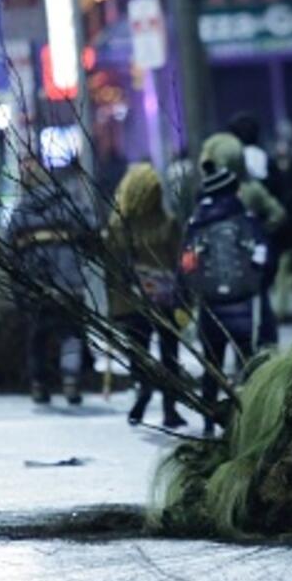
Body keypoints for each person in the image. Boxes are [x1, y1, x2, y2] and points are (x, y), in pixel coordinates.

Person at [180, 162, 268, 435]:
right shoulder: (247, 221)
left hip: (211, 306)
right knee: (247, 363)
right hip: (243, 302)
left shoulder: (197, 223)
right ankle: (251, 419)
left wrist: (187, 293)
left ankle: (209, 420)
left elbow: (186, 263)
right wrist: (257, 282)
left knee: (212, 366)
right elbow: (264, 255)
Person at [104, 163, 186, 428]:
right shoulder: (167, 223)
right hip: (165, 299)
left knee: (138, 351)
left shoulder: (117, 226)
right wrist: (186, 300)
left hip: (131, 301)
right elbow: (179, 262)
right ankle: (169, 408)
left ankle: (143, 387)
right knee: (169, 353)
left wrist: (114, 306)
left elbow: (111, 269)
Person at [8, 159, 91, 405]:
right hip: (69, 283)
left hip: (36, 285)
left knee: (37, 336)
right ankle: (71, 381)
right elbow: (90, 228)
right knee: (71, 334)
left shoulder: (21, 212)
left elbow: (10, 251)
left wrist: (19, 287)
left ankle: (39, 385)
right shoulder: (68, 205)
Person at [200, 132, 286, 345]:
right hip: (250, 266)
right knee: (260, 316)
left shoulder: (208, 194)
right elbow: (278, 214)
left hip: (219, 270)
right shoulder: (252, 189)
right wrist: (261, 231)